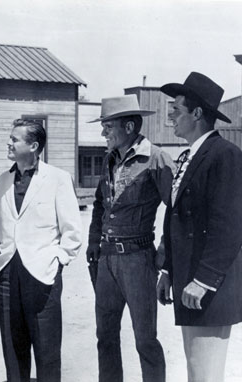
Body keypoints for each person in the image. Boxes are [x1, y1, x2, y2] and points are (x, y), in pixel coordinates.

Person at [157, 72, 242, 382]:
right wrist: (168, 270)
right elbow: (177, 218)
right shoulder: (190, 157)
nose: (170, 116)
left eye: (177, 109)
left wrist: (203, 280)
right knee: (197, 371)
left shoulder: (225, 156)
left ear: (197, 114)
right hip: (189, 282)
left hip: (209, 286)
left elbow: (230, 227)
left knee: (205, 375)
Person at [86, 95, 174, 382]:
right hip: (107, 260)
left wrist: (165, 256)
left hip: (138, 260)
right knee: (105, 336)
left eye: (107, 127)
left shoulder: (157, 159)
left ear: (128, 127)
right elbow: (100, 204)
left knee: (145, 340)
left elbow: (177, 210)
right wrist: (93, 242)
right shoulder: (110, 159)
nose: (103, 133)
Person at [0, 119, 82, 382]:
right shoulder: (1, 181)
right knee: (12, 347)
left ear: (34, 146)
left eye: (15, 139)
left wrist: (57, 259)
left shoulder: (58, 179)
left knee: (46, 348)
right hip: (6, 273)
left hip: (42, 275)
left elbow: (72, 231)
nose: (9, 142)